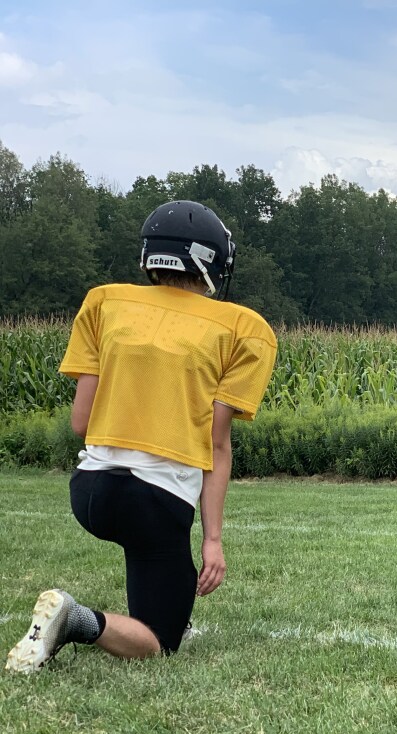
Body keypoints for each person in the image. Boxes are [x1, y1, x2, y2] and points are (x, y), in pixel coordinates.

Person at [5, 201, 278, 673]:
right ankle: (77, 620)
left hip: (89, 492)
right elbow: (217, 445)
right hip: (154, 502)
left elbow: (80, 422)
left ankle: (163, 599)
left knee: (154, 563)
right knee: (159, 641)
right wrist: (212, 539)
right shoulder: (243, 328)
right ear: (208, 260)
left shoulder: (106, 302)